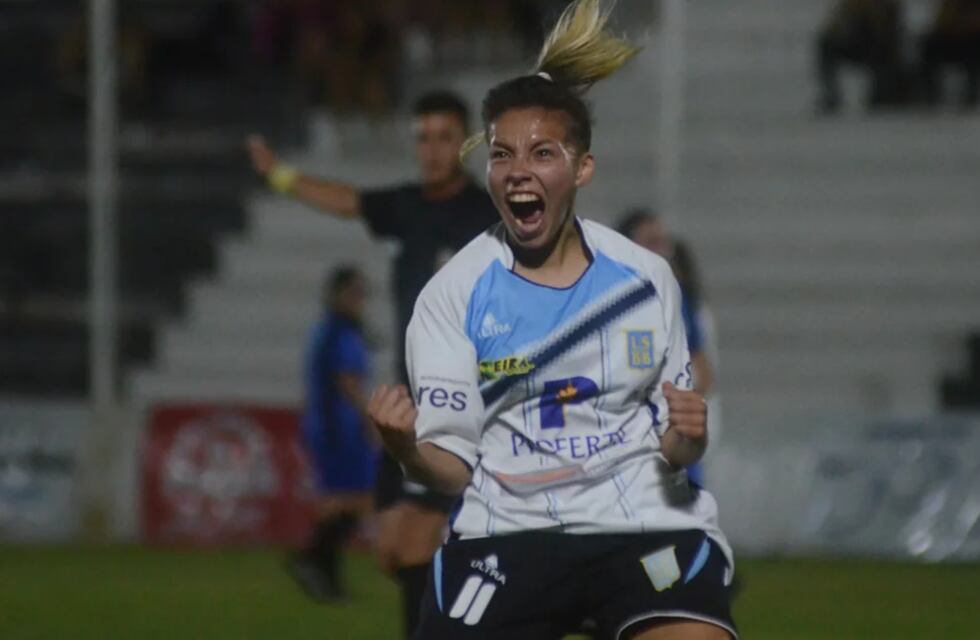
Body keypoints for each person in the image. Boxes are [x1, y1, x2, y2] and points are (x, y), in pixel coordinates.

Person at [368, 1, 736, 638]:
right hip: (511, 531)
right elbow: (451, 467)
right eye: (503, 155)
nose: (518, 173)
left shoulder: (645, 279)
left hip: (639, 523)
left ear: (581, 168)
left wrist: (689, 434)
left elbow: (674, 450)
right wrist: (404, 447)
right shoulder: (452, 295)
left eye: (541, 153)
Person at [247, 91, 498, 637]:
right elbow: (348, 201)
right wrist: (281, 177)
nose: (432, 150)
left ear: (466, 144)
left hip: (467, 406)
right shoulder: (406, 207)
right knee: (393, 551)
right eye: (423, 138)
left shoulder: (488, 216)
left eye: (444, 137)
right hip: (413, 401)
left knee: (416, 549)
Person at [288, 265, 376, 601]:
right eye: (354, 293)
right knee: (354, 501)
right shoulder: (341, 334)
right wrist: (369, 418)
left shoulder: (329, 331)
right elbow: (347, 382)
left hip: (330, 427)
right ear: (337, 295)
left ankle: (321, 571)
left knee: (346, 502)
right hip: (339, 429)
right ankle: (315, 563)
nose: (359, 301)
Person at [815, 0, 907, 113]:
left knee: (882, 47)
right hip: (857, 42)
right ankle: (831, 95)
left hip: (880, 46)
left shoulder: (887, 6)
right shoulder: (850, 6)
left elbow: (892, 31)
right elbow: (835, 26)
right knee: (826, 45)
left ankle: (883, 93)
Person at [919, 0, 980, 109]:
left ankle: (971, 95)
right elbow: (941, 21)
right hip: (949, 39)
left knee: (973, 50)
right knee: (929, 45)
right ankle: (930, 94)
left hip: (971, 41)